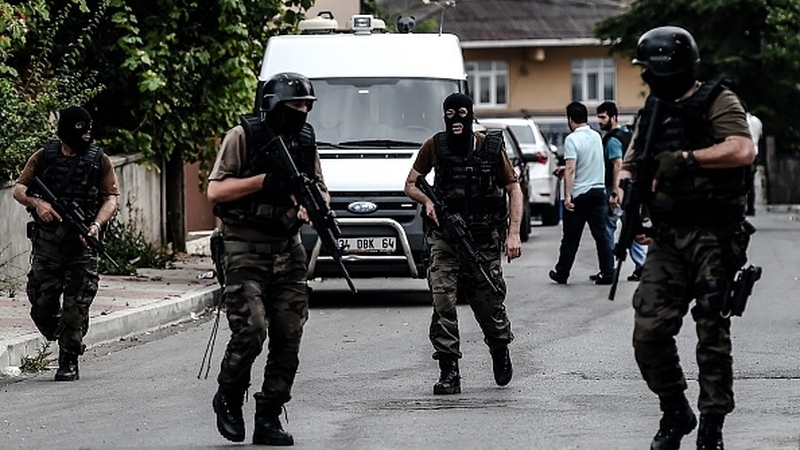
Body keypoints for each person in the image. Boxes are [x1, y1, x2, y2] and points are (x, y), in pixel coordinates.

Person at [622, 26, 756, 450]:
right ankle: (675, 409)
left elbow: (741, 148)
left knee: (711, 331)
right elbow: (632, 162)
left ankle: (712, 427)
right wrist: (628, 193)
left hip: (715, 234)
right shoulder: (653, 109)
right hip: (667, 234)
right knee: (649, 330)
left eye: (649, 70)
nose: (646, 78)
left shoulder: (718, 100)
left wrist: (686, 160)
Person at [207, 72, 325, 446]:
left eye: (307, 106)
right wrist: (262, 182)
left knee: (289, 335)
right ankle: (228, 393)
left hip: (287, 251)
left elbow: (320, 187)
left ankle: (269, 414)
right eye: (296, 105)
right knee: (252, 329)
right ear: (274, 105)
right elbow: (216, 192)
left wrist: (312, 206)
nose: (303, 112)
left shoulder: (305, 140)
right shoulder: (242, 137)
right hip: (243, 249)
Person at [403, 92, 522, 395]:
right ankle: (449, 370)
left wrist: (513, 233)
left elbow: (513, 189)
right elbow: (411, 184)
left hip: (483, 240)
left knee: (488, 303)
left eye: (462, 113)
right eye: (450, 113)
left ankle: (499, 348)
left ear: (470, 114)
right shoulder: (435, 145)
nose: (456, 119)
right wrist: (427, 201)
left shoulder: (491, 147)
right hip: (445, 238)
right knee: (442, 299)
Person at [12, 105, 120, 381]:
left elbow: (110, 199)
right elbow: (19, 190)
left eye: (88, 131)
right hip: (47, 246)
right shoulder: (44, 156)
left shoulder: (100, 160)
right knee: (41, 307)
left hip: (82, 247)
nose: (85, 136)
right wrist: (39, 204)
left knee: (76, 306)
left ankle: (69, 358)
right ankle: (65, 335)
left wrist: (95, 225)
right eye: (78, 130)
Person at [548, 101, 614, 285]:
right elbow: (589, 162)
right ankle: (608, 272)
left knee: (571, 237)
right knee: (601, 236)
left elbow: (571, 169)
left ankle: (562, 273)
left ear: (570, 119)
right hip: (598, 191)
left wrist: (568, 195)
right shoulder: (596, 136)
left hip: (580, 195)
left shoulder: (571, 139)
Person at [595, 101, 648, 282]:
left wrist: (615, 192)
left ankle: (608, 267)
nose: (600, 121)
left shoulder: (613, 140)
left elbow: (618, 164)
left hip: (617, 188)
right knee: (632, 227)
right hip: (634, 188)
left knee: (608, 228)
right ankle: (642, 266)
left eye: (603, 117)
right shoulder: (629, 135)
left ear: (613, 117)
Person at [745, 112, 762, 216]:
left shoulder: (742, 121)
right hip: (754, 153)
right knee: (751, 181)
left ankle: (743, 207)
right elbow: (760, 135)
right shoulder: (757, 121)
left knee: (742, 181)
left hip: (744, 152)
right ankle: (751, 208)